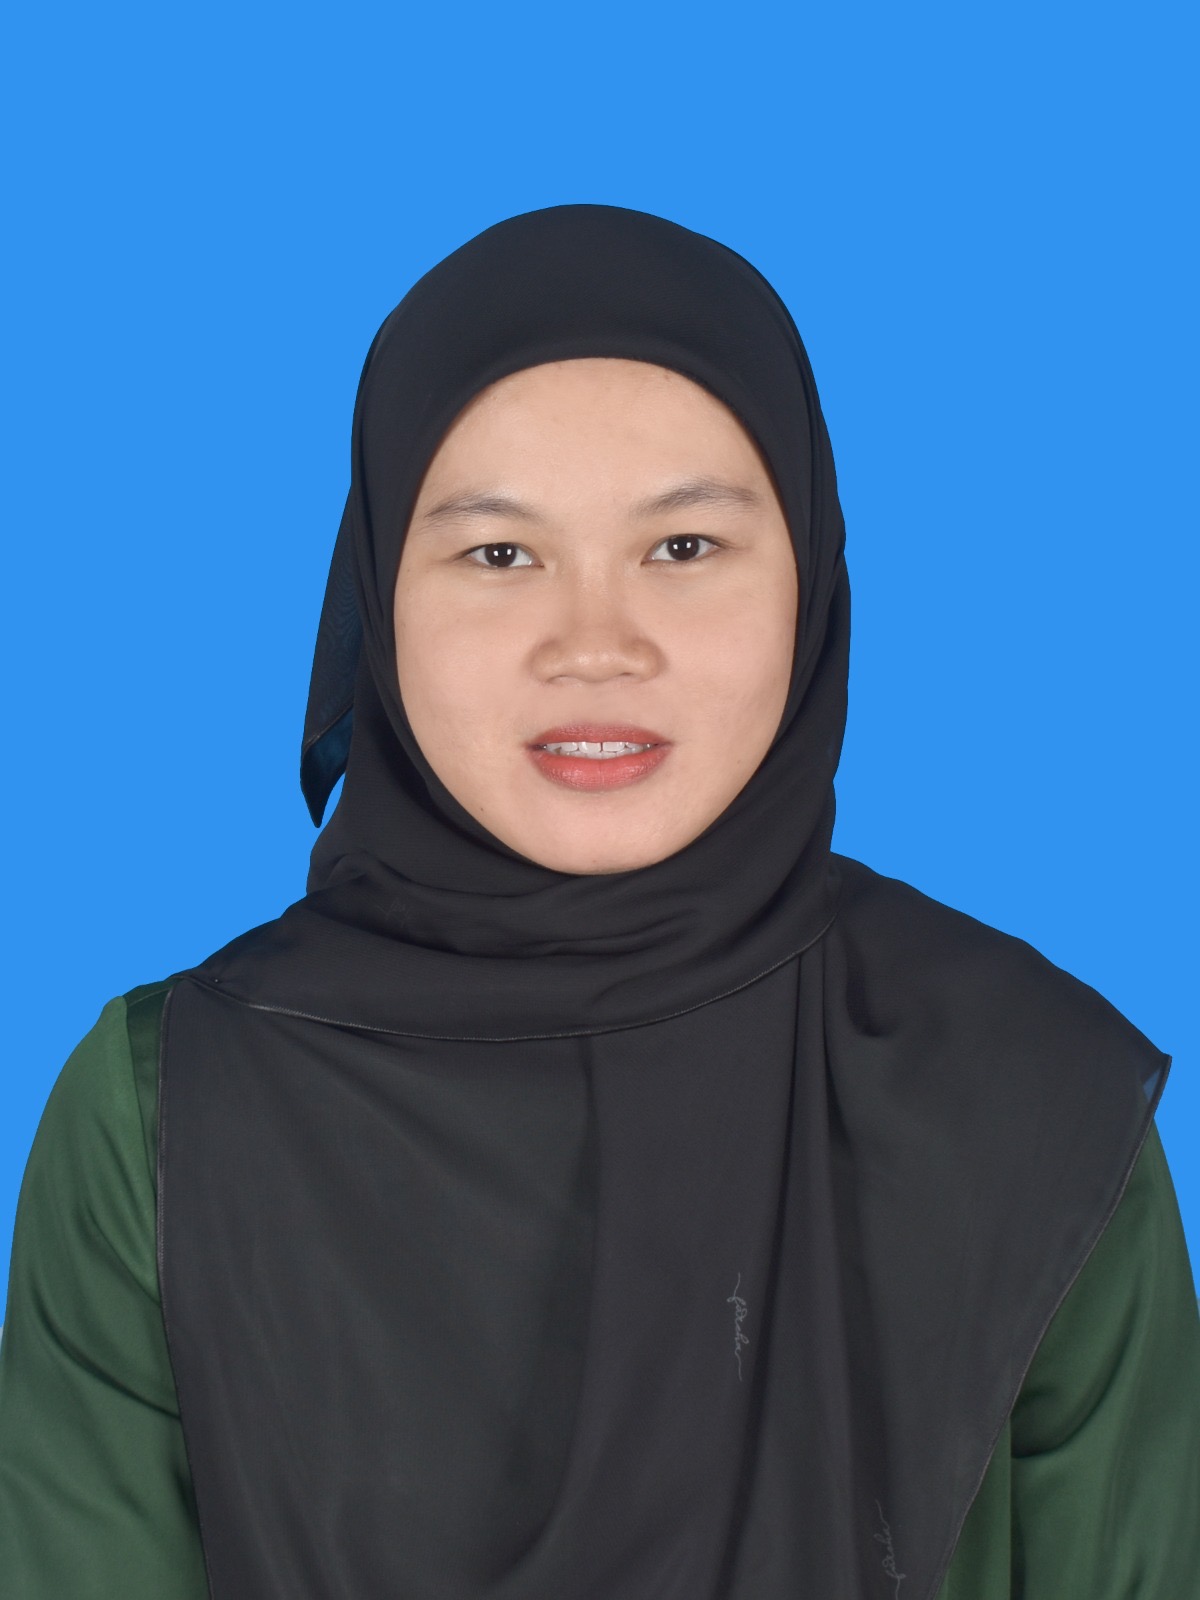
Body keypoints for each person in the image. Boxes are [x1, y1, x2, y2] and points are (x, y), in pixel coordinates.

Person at [1, 202, 1197, 1599]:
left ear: (810, 578)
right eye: (499, 555)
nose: (595, 646)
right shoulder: (166, 1113)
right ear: (379, 596)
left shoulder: (1030, 1102)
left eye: (682, 548)